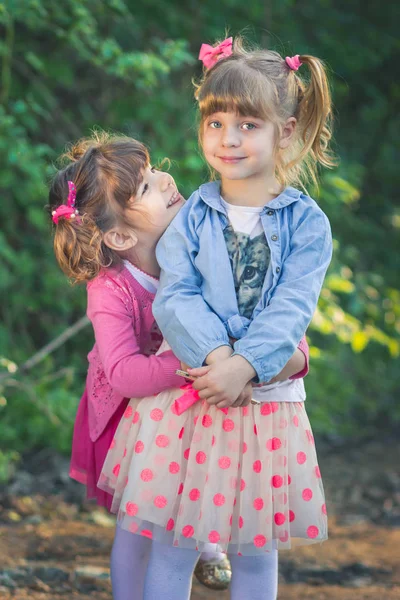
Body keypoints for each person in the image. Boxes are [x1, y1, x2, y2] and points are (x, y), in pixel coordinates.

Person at [99, 34, 333, 600]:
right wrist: (217, 358)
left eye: (248, 125)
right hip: (192, 406)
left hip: (266, 409)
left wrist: (247, 366)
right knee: (175, 546)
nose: (227, 139)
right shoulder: (192, 215)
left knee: (255, 554)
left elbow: (292, 306)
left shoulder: (307, 224)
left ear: (288, 130)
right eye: (214, 122)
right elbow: (176, 295)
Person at [48, 132, 248, 598]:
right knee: (138, 529)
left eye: (155, 168)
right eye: (146, 187)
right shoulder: (111, 290)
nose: (167, 178)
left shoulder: (194, 247)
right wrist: (189, 356)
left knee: (199, 480)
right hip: (127, 420)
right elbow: (123, 374)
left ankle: (206, 536)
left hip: (187, 408)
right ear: (119, 235)